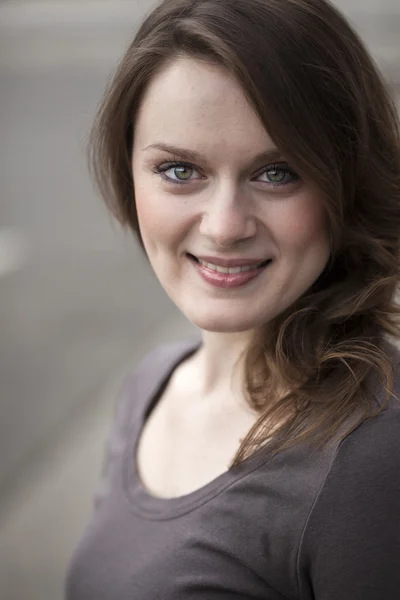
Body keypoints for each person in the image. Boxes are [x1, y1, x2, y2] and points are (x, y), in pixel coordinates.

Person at [65, 0, 400, 598]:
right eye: (178, 170)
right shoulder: (150, 387)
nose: (224, 226)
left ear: (346, 180)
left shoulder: (374, 455)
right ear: (128, 174)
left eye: (277, 173)